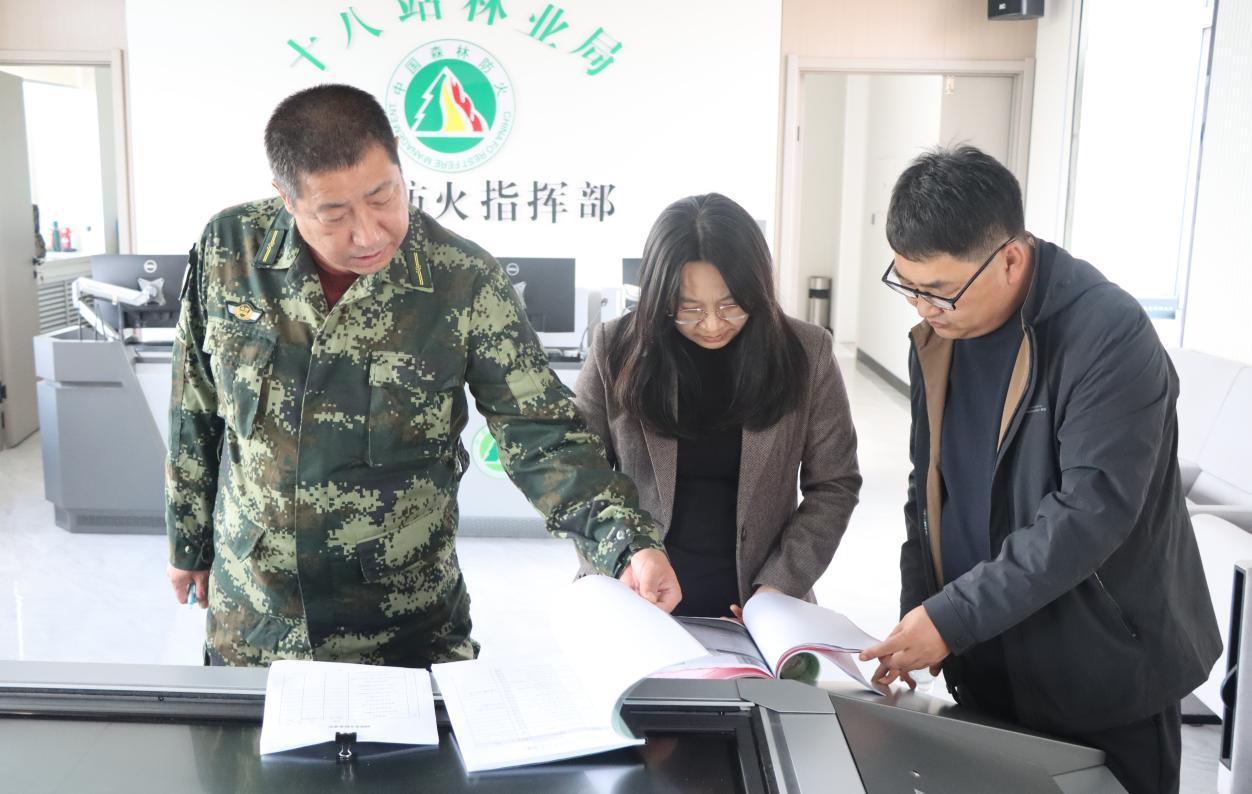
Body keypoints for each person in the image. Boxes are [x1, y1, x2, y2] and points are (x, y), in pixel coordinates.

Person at [165, 84, 680, 667]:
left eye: (383, 195)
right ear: (286, 198)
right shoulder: (229, 249)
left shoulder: (461, 279)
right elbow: (194, 401)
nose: (369, 233)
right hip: (254, 614)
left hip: (402, 626)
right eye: (334, 214)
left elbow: (541, 431)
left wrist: (626, 542)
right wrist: (189, 542)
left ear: (399, 164)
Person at [859, 146, 1221, 794]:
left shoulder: (1108, 335)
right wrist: (922, 608)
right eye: (907, 284)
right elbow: (929, 486)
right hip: (986, 662)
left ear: (1011, 259)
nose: (921, 307)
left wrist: (951, 618)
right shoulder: (940, 336)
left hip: (1103, 681)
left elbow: (1089, 513)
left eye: (939, 290)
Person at [573, 193, 861, 618]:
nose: (711, 324)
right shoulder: (614, 349)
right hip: (635, 597)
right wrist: (626, 555)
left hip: (760, 609)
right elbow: (578, 478)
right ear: (658, 298)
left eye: (730, 304)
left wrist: (778, 587)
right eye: (688, 308)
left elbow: (835, 484)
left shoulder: (806, 352)